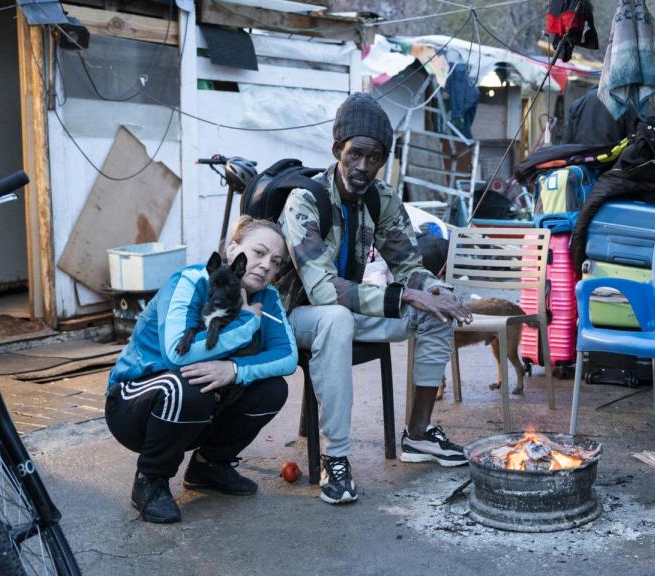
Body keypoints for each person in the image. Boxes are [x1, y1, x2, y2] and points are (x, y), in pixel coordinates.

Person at [280, 93, 472, 505]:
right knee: (336, 318)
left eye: (375, 158)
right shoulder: (304, 200)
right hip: (294, 318)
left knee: (436, 308)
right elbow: (323, 289)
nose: (364, 167)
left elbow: (408, 265)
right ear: (338, 150)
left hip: (346, 310)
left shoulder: (380, 198)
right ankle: (337, 458)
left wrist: (432, 289)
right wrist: (406, 296)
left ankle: (418, 435)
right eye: (356, 155)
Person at [107, 216, 297, 524]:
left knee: (272, 389)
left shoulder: (268, 298)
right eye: (259, 253)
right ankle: (150, 480)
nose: (266, 266)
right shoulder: (192, 280)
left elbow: (286, 357)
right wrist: (247, 323)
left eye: (276, 262)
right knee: (187, 384)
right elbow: (175, 356)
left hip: (201, 406)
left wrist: (234, 369)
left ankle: (209, 465)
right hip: (134, 403)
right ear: (233, 248)